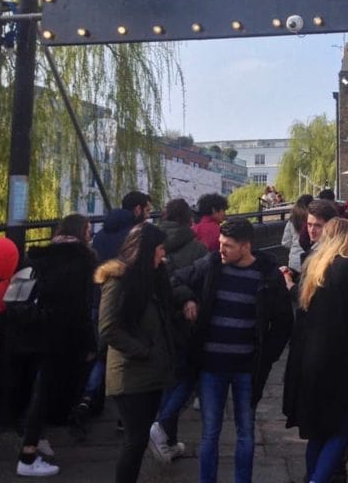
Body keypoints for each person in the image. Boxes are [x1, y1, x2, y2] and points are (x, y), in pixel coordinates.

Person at [172, 217, 293, 483]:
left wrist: (267, 357)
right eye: (220, 243)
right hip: (211, 367)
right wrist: (188, 298)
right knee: (210, 433)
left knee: (245, 432)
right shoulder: (212, 264)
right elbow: (174, 279)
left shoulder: (268, 275)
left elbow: (284, 322)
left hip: (247, 369)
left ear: (246, 246)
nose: (221, 249)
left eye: (227, 245)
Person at [283, 218, 348, 483]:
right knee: (341, 430)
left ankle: (312, 476)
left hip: (308, 360)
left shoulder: (314, 265)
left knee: (318, 432)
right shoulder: (346, 267)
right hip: (338, 362)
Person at [12, 213, 96, 477]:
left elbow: (16, 295)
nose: (91, 235)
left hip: (31, 333)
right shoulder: (82, 261)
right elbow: (80, 309)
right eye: (88, 230)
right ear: (81, 232)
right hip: (61, 336)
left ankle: (35, 438)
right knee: (47, 392)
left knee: (35, 389)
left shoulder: (37, 256)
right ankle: (27, 456)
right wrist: (89, 343)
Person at [95, 222, 175, 483]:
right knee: (135, 439)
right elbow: (108, 328)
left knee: (139, 440)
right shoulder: (118, 280)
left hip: (150, 371)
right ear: (146, 249)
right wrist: (142, 351)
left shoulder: (150, 276)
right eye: (160, 249)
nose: (163, 255)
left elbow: (170, 298)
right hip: (130, 374)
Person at [74, 204, 145, 433]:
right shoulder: (132, 237)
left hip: (97, 300)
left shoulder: (100, 236)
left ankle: (87, 397)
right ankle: (123, 413)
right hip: (123, 302)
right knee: (124, 356)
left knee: (100, 354)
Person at [149, 198, 208, 463]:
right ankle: (163, 427)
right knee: (188, 375)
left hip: (157, 319)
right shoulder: (197, 248)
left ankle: (167, 439)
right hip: (185, 319)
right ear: (188, 219)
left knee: (167, 378)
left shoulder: (151, 241)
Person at [280, 197, 311, 277]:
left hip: (294, 260)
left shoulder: (292, 221)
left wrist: (294, 246)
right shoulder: (312, 221)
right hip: (310, 260)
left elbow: (285, 242)